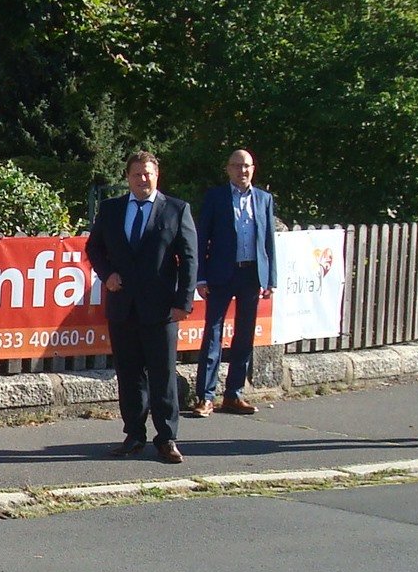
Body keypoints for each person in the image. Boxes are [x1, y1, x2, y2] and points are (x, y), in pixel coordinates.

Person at [86, 150, 199, 464]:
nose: (142, 179)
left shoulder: (176, 209)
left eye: (147, 173)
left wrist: (183, 302)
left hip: (161, 309)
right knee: (129, 374)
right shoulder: (111, 209)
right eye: (136, 174)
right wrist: (107, 275)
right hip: (123, 307)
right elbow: (94, 248)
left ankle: (167, 439)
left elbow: (189, 259)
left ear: (157, 175)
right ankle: (134, 435)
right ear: (128, 177)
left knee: (163, 375)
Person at [191, 149, 277, 417]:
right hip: (220, 274)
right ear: (228, 169)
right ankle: (205, 397)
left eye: (247, 166)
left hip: (251, 275)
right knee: (213, 333)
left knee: (245, 335)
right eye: (237, 166)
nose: (243, 171)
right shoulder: (215, 197)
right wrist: (200, 276)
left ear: (253, 169)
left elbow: (268, 240)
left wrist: (270, 279)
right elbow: (202, 237)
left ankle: (234, 395)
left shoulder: (263, 199)